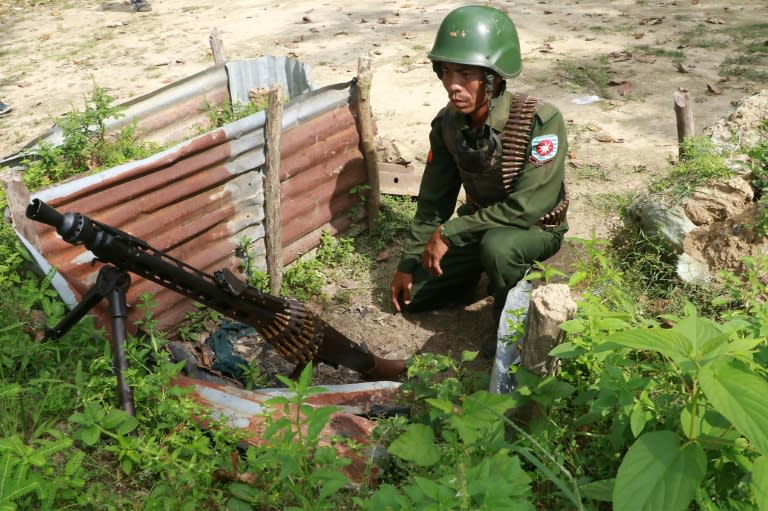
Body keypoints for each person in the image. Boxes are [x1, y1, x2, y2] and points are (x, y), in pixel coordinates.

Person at [389, 5, 569, 349]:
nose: (452, 86)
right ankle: (475, 275)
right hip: (479, 227)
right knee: (414, 298)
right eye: (445, 72)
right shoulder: (448, 124)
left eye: (465, 74)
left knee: (499, 248)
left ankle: (511, 318)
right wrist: (409, 264)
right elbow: (432, 204)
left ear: (494, 76)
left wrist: (450, 232)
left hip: (534, 229)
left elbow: (526, 208)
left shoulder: (540, 121)